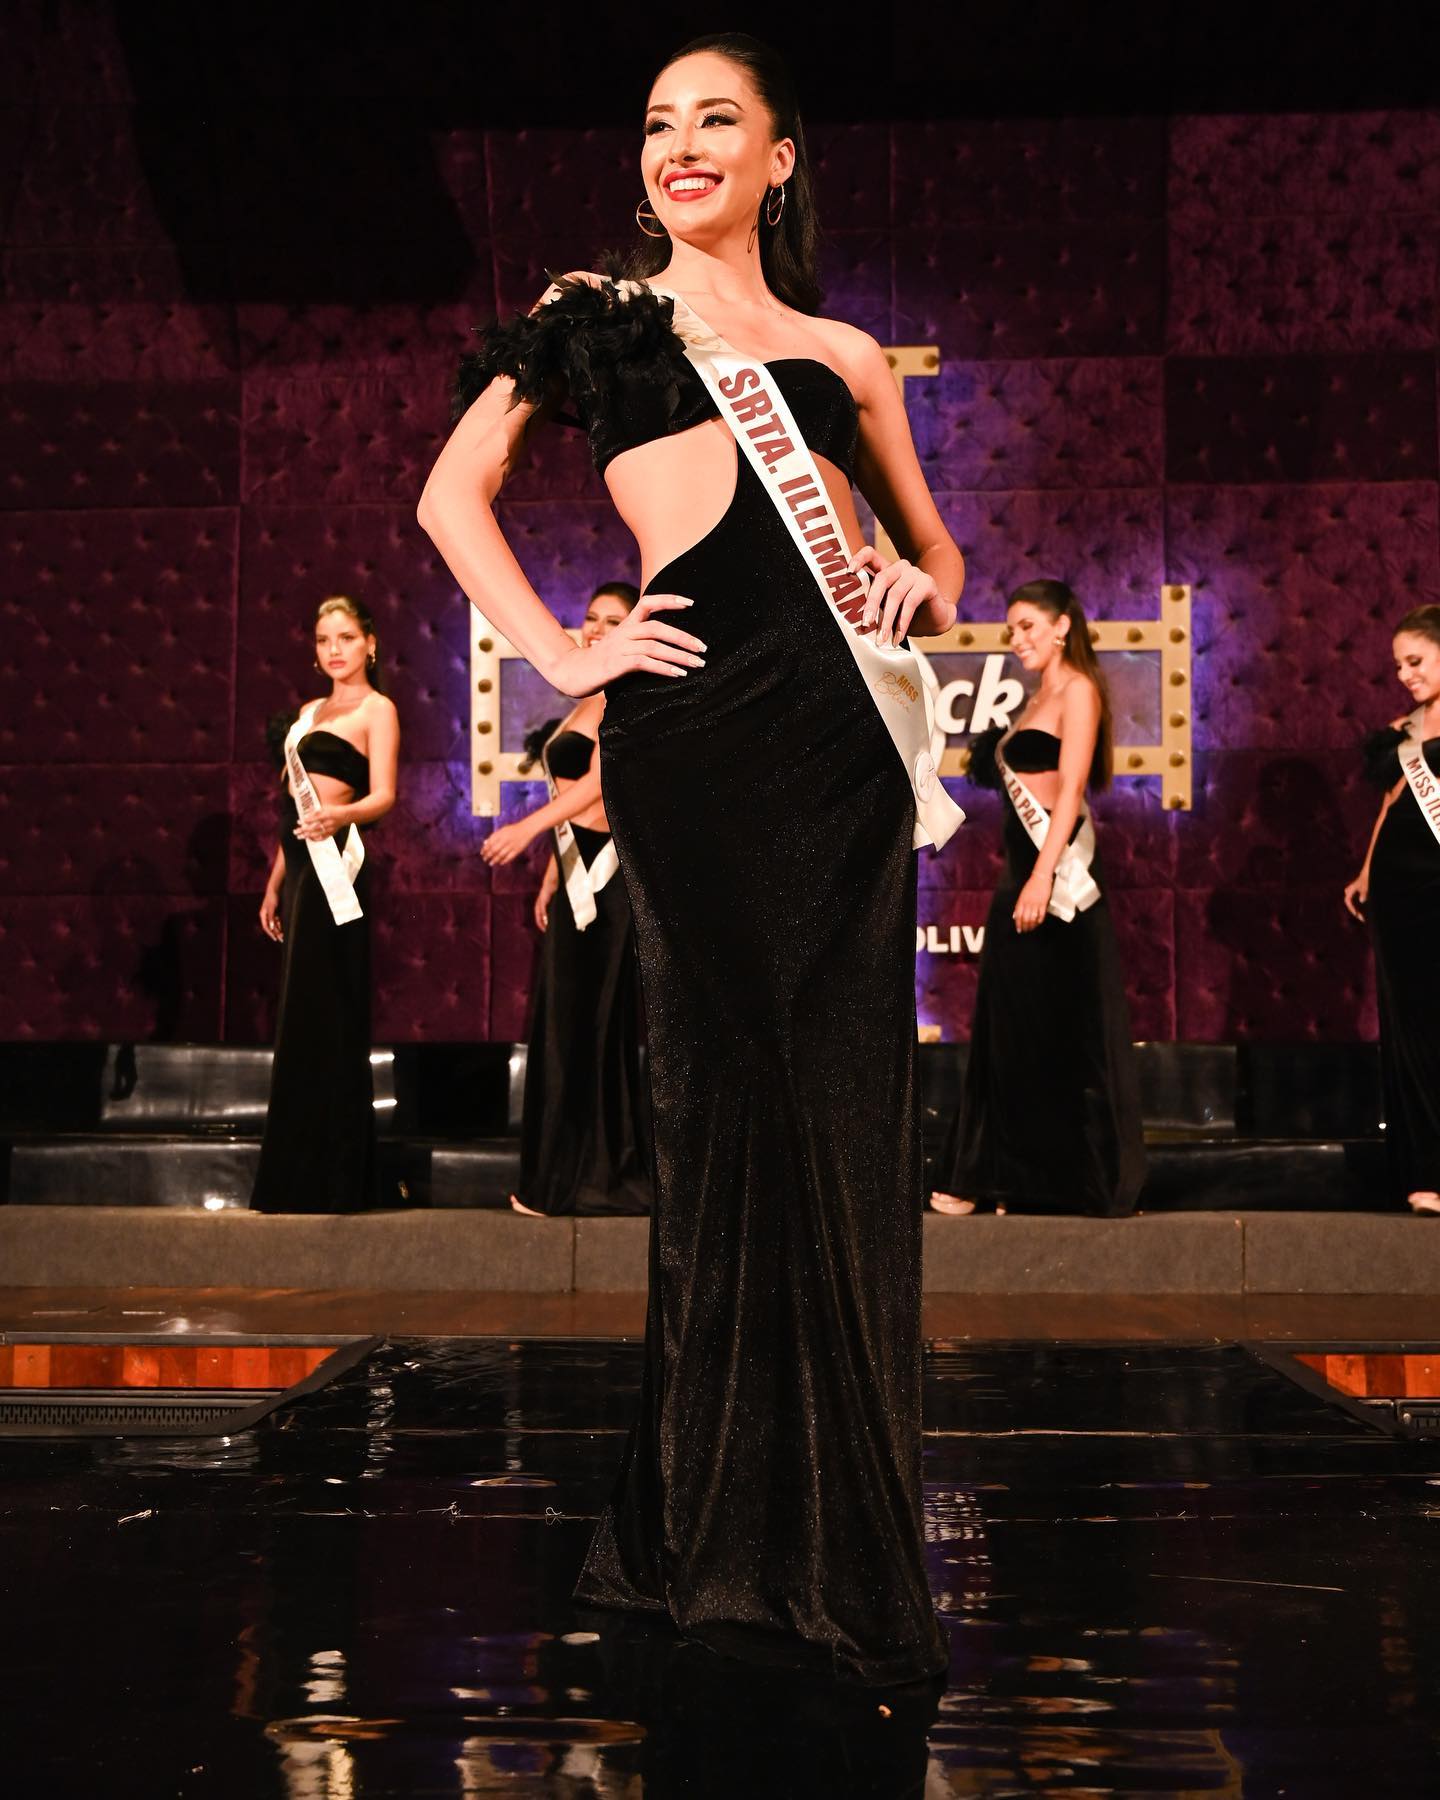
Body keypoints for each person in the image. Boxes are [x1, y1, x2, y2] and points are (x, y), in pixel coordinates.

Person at [420, 33, 965, 1686]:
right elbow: (451, 498)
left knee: (838, 1116)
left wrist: (915, 587)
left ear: (781, 156)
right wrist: (560, 655)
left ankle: (837, 1535)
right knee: (724, 1109)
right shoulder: (596, 313)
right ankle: (711, 1528)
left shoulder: (844, 354)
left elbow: (936, 559)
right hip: (700, 736)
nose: (681, 144)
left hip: (842, 752)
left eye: (717, 118)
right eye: (659, 122)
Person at [931, 580, 1145, 1219]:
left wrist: (1044, 876)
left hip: (1059, 878)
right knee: (1011, 1027)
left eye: (1027, 626)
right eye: (1012, 629)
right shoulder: (1035, 697)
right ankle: (1009, 1177)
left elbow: (1072, 789)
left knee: (1062, 1029)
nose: (1017, 639)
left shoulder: (1078, 690)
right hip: (1020, 871)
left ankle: (1059, 1179)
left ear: (1062, 626)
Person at [479, 580, 652, 1217]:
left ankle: (595, 1178)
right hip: (574, 873)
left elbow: (603, 784)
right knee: (565, 1025)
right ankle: (563, 1174)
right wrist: (552, 873)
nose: (598, 629)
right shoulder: (587, 697)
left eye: (614, 619)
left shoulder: (631, 695)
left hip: (609, 882)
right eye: (591, 617)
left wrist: (526, 827)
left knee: (595, 1023)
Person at [252, 596, 399, 1214]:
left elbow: (384, 796)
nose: (334, 649)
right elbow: (294, 812)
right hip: (300, 874)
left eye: (345, 637)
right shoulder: (306, 715)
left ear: (370, 643)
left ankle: (337, 1177)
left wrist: (342, 814)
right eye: (323, 640)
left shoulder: (377, 709)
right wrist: (274, 881)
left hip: (339, 868)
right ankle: (295, 1174)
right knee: (299, 1014)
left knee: (332, 1007)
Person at [1345, 604, 1440, 1216]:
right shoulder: (1402, 731)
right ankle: (1425, 1172)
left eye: (1416, 661)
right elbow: (1390, 806)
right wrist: (1365, 871)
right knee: (1411, 1028)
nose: (1406, 674)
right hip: (1400, 890)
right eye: (1399, 666)